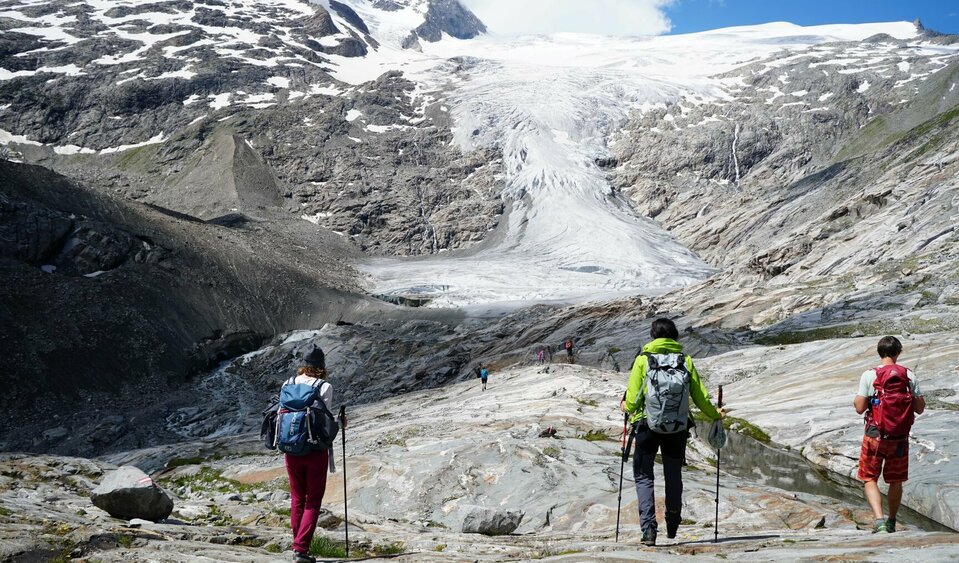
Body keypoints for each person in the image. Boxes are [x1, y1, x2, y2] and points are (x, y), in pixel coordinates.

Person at [623, 318, 724, 546]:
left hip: (646, 427)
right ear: (675, 336)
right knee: (673, 475)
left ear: (653, 336)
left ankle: (649, 530)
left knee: (644, 475)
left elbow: (632, 401)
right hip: (677, 429)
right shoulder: (685, 360)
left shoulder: (643, 360)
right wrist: (715, 414)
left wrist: (625, 407)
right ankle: (673, 522)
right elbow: (699, 397)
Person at [854, 336, 924, 534]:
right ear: (898, 352)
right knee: (896, 481)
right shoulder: (908, 375)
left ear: (879, 352)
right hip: (899, 438)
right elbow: (920, 408)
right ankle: (892, 521)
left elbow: (860, 408)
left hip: (874, 436)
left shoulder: (869, 375)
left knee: (869, 478)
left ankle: (880, 522)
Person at [284, 346, 343, 563]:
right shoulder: (324, 386)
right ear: (321, 366)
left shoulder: (288, 383)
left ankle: (297, 545)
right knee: (313, 500)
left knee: (297, 498)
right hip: (315, 450)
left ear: (304, 364)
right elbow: (324, 420)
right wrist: (340, 423)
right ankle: (301, 550)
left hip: (291, 449)